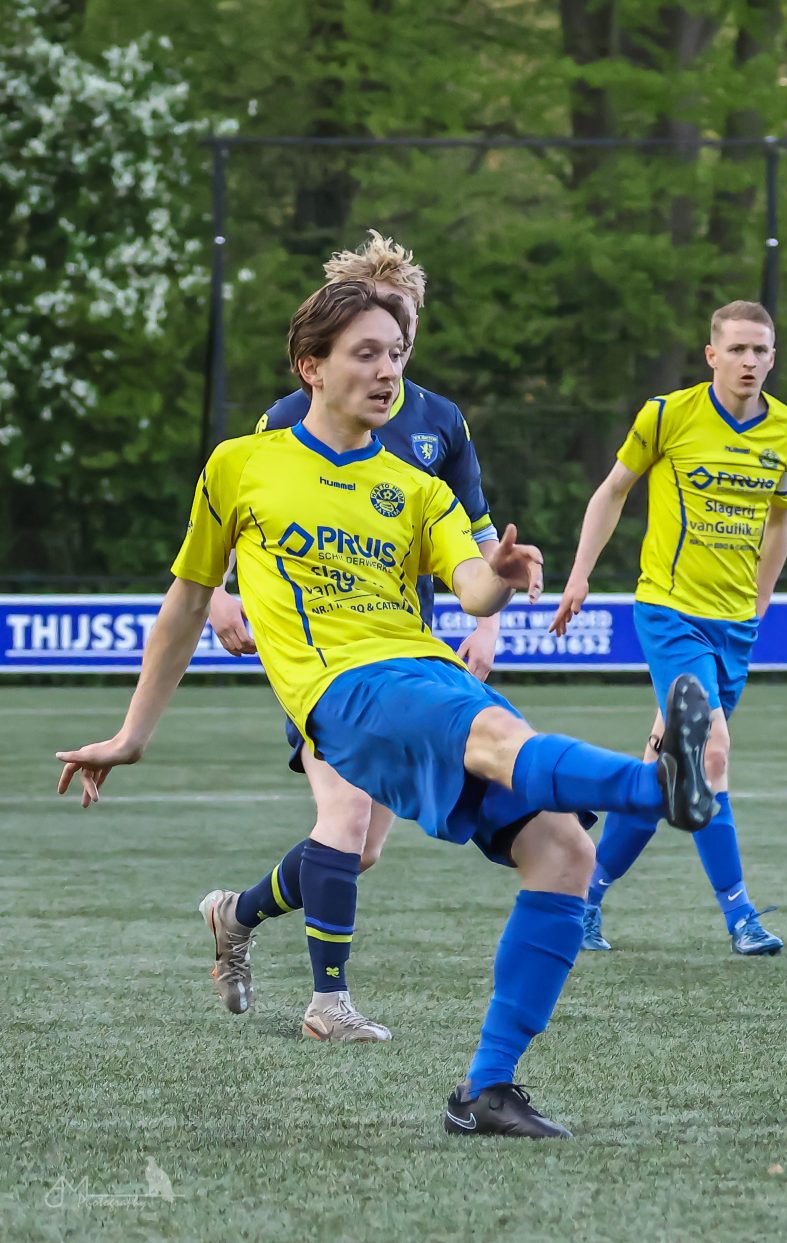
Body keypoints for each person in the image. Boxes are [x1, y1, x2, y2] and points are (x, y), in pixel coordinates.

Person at [56, 280, 715, 1137]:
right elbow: (185, 604)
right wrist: (131, 735)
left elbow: (470, 582)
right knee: (491, 738)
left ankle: (487, 1091)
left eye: (396, 355)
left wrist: (502, 577)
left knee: (564, 850)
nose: (387, 371)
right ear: (311, 368)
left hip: (426, 671)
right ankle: (655, 784)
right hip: (343, 690)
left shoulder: (415, 485)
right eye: (365, 353)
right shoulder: (241, 465)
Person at [201, 231, 502, 1043]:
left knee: (360, 849)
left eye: (400, 333)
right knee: (342, 819)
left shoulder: (440, 423)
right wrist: (220, 594)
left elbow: (476, 537)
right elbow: (243, 509)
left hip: (408, 653)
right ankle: (327, 1004)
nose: (387, 354)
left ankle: (236, 912)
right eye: (372, 336)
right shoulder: (295, 416)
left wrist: (488, 619)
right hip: (324, 657)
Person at [550, 300, 787, 955]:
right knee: (711, 751)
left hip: (734, 625)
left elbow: (780, 519)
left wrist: (762, 597)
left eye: (761, 350)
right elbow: (612, 490)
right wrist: (580, 573)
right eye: (738, 349)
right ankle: (741, 914)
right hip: (668, 610)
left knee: (663, 770)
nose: (750, 361)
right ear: (712, 354)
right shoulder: (666, 414)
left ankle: (582, 897)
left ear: (773, 357)